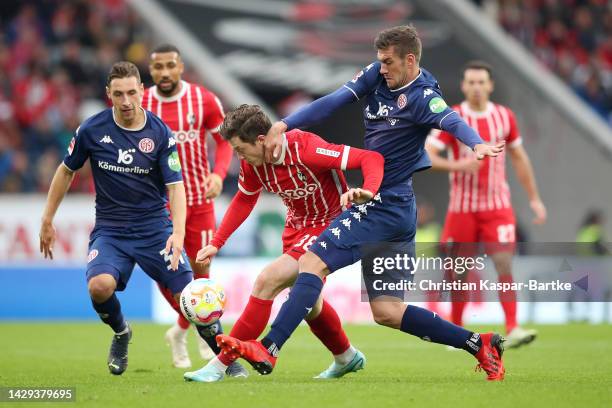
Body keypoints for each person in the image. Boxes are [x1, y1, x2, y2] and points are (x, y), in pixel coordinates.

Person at [216, 25, 507, 381]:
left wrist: (475, 143)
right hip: (396, 207)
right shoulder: (376, 76)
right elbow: (334, 101)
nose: (381, 67)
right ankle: (480, 343)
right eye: (379, 61)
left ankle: (270, 347)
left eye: (388, 62)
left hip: (384, 204)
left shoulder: (423, 97)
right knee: (386, 310)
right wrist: (285, 124)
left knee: (311, 261)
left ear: (410, 59)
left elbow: (449, 119)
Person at [38, 61, 246, 378]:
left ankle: (225, 359)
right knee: (99, 287)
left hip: (154, 230)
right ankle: (122, 333)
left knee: (191, 297)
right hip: (111, 231)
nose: (125, 101)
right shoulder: (92, 129)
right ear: (108, 94)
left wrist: (177, 234)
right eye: (118, 94)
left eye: (131, 92)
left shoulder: (160, 133)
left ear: (141, 92)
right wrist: (47, 219)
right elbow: (66, 171)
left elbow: (176, 188)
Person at [183, 104, 384, 382]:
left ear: (262, 140)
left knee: (267, 280)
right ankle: (346, 356)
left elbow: (371, 158)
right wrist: (217, 242)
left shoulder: (306, 148)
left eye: (240, 149)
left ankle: (219, 365)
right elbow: (244, 199)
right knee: (310, 304)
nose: (238, 156)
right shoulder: (253, 162)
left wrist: (369, 190)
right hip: (295, 229)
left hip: (331, 224)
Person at [425, 60, 547, 348]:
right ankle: (455, 333)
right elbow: (427, 157)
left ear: (490, 85)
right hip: (461, 209)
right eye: (471, 82)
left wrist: (534, 199)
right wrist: (459, 166)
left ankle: (514, 326)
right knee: (459, 271)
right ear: (464, 85)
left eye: (482, 82)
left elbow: (519, 158)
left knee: (504, 262)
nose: (477, 87)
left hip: (497, 206)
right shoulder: (451, 116)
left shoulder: (505, 116)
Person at [144, 44, 234, 367]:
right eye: (158, 67)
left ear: (181, 66)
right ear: (151, 70)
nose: (165, 72)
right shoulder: (142, 104)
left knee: (200, 273)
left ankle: (185, 330)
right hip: (159, 209)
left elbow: (225, 140)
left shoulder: (203, 99)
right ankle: (201, 326)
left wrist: (218, 174)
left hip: (199, 201)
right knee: (169, 276)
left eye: (171, 65)